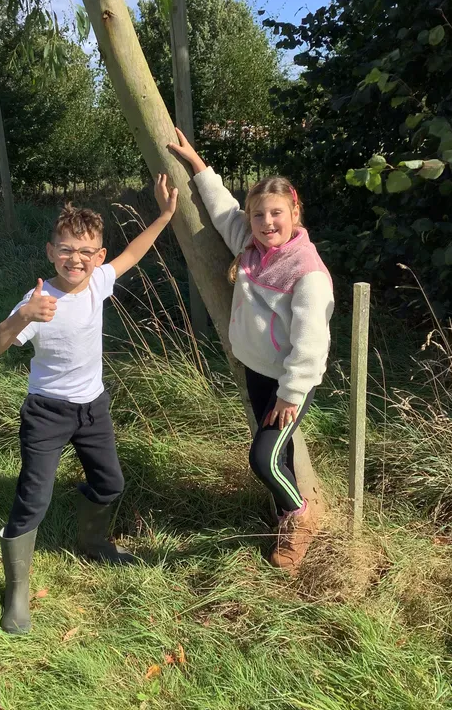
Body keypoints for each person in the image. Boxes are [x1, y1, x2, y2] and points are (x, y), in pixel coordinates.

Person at [0, 175, 177, 634]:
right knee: (34, 498)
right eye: (67, 249)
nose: (77, 259)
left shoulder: (99, 283)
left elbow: (134, 252)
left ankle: (93, 542)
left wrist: (166, 215)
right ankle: (16, 589)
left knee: (110, 483)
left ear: (98, 258)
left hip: (93, 408)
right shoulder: (38, 302)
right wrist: (22, 317)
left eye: (87, 252)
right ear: (51, 252)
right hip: (47, 412)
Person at [169, 129, 334, 573]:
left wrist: (291, 392)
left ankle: (299, 517)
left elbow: (313, 343)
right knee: (275, 455)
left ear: (295, 212)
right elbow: (222, 209)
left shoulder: (306, 271)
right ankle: (287, 512)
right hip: (256, 369)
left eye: (276, 213)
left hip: (288, 381)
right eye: (258, 214)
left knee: (262, 458)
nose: (266, 223)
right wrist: (199, 166)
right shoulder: (251, 244)